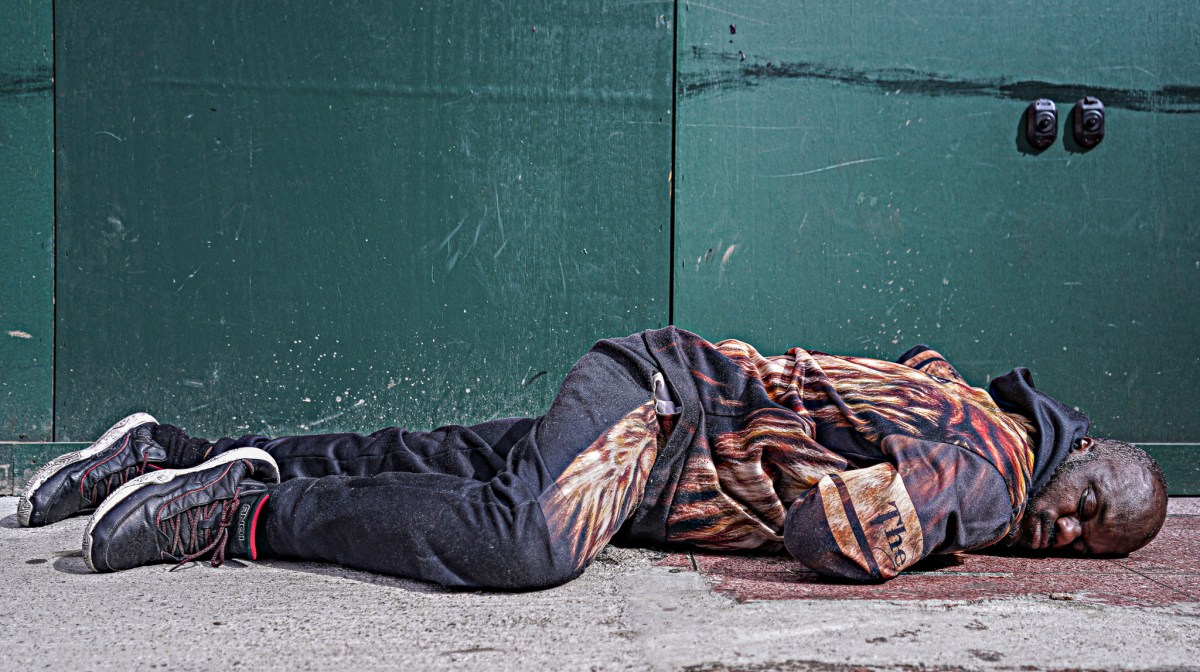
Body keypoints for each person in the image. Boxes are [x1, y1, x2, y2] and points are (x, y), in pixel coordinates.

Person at [17, 327, 1167, 589]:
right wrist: (949, 539)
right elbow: (835, 534)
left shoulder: (971, 403)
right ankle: (230, 517)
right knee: (529, 540)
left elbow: (901, 365)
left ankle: (168, 453)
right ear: (1085, 457)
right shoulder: (992, 471)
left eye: (1086, 546)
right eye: (1085, 511)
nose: (1061, 534)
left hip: (662, 404)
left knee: (440, 465)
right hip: (662, 422)